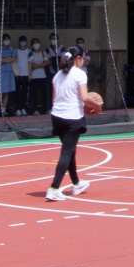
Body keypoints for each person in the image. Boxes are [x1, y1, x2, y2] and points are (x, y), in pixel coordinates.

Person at [46, 45, 93, 201]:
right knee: (66, 152)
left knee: (69, 151)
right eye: (83, 58)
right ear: (78, 58)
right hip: (72, 118)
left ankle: (76, 183)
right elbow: (85, 97)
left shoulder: (57, 75)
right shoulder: (80, 74)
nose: (83, 61)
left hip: (57, 117)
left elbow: (54, 99)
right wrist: (98, 105)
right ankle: (54, 188)